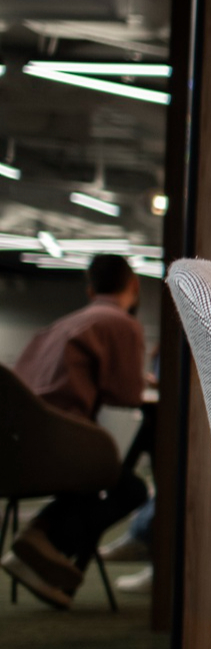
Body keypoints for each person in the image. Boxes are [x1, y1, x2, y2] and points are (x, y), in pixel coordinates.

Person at [3, 253, 152, 609]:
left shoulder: (63, 324)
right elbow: (129, 395)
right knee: (131, 489)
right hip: (60, 446)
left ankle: (37, 548)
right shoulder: (121, 322)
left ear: (90, 288)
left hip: (16, 451)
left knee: (92, 488)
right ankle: (45, 541)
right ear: (133, 285)